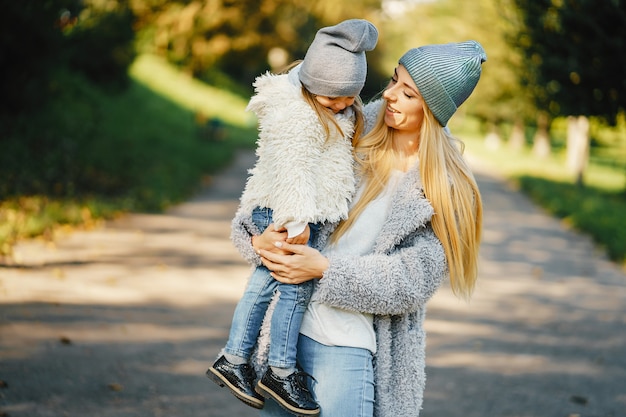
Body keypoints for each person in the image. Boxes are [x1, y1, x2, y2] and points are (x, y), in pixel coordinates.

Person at [230, 40, 487, 417]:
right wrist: (256, 238)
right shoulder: (347, 131)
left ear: (432, 109)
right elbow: (270, 188)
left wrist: (324, 271)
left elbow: (412, 280)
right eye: (395, 80)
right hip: (285, 338)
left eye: (409, 93)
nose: (390, 95)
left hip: (349, 344)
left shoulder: (443, 189)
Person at [207, 19, 379, 417]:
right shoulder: (298, 115)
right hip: (290, 206)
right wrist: (297, 220)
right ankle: (274, 368)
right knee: (289, 283)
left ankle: (236, 360)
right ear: (310, 86)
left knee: (271, 277)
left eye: (349, 98)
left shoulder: (328, 107)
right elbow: (293, 169)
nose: (340, 106)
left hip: (300, 206)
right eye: (331, 99)